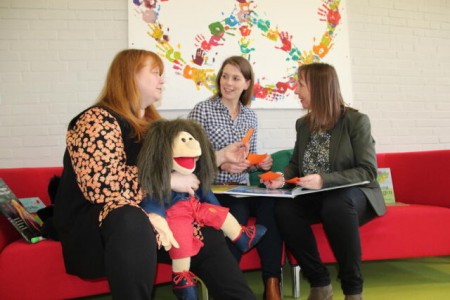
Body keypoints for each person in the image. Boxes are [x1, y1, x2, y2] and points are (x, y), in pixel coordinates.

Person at [53, 49, 257, 300]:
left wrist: (222, 156)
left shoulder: (154, 126)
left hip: (147, 218)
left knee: (206, 231)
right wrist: (167, 180)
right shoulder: (95, 119)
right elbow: (101, 186)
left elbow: (179, 168)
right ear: (130, 76)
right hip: (98, 225)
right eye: (155, 73)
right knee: (131, 217)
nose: (162, 80)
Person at [263, 62, 386, 300]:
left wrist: (323, 180)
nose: (296, 91)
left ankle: (353, 290)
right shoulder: (303, 124)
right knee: (284, 208)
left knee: (336, 204)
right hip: (315, 196)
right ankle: (319, 282)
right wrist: (282, 178)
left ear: (319, 87)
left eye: (300, 85)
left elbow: (368, 171)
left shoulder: (356, 121)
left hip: (354, 195)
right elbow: (296, 165)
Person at [188, 56, 284, 300]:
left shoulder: (250, 116)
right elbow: (189, 157)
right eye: (224, 76)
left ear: (246, 83)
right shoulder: (203, 110)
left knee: (272, 204)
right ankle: (226, 288)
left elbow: (246, 161)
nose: (228, 83)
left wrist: (259, 163)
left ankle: (272, 283)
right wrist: (223, 164)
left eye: (235, 78)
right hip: (213, 188)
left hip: (242, 187)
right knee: (238, 211)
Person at [138, 118, 267, 299]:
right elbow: (151, 200)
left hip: (196, 213)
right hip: (168, 224)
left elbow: (208, 196)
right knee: (182, 239)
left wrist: (220, 217)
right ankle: (181, 278)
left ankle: (240, 236)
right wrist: (159, 205)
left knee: (217, 224)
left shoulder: (153, 123)